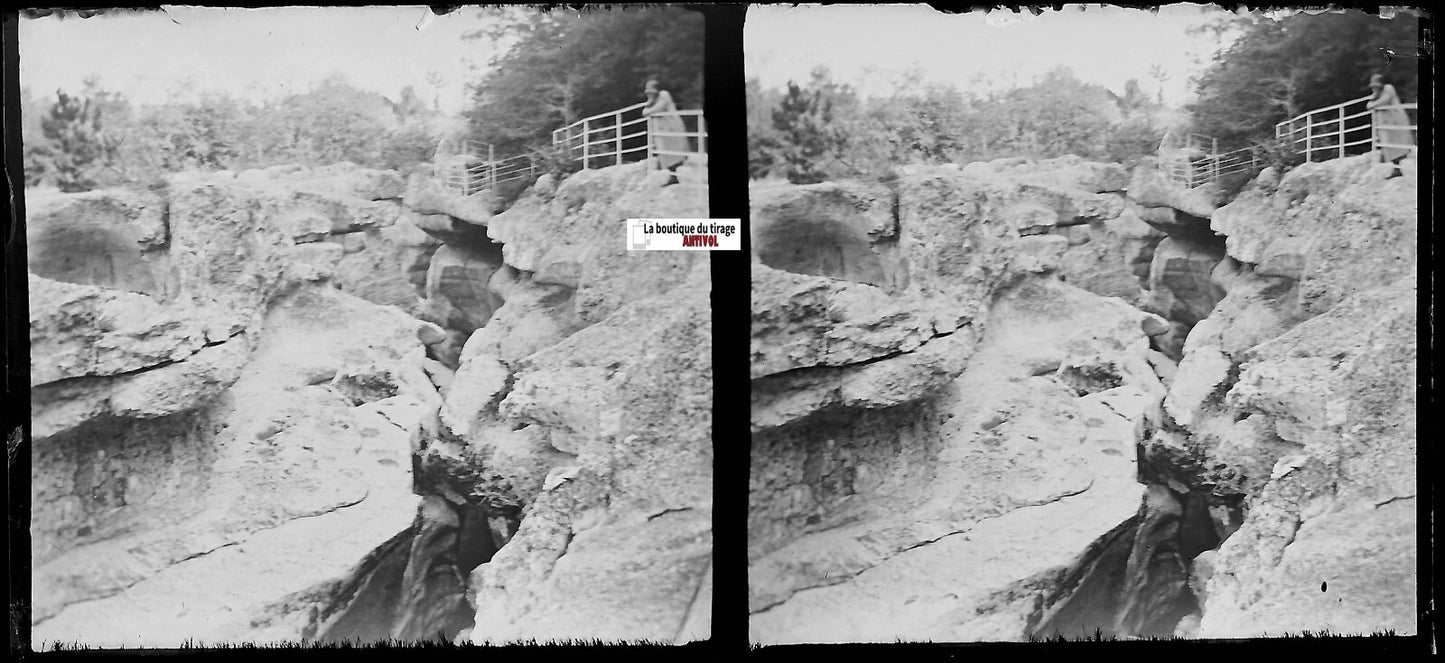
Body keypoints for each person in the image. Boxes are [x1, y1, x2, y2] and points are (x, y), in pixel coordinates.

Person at [641, 79, 690, 175]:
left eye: (651, 92)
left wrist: (649, 106)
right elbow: (645, 112)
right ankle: (672, 175)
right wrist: (649, 103)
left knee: (676, 153)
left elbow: (654, 110)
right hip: (664, 131)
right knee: (666, 154)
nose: (649, 94)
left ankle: (678, 176)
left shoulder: (664, 95)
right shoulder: (653, 100)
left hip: (673, 128)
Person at [1366, 73, 1414, 164]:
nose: (1374, 88)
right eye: (1373, 87)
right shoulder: (1377, 94)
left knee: (1398, 145)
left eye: (1376, 86)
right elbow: (1369, 104)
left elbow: (1383, 102)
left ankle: (1398, 167)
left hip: (1398, 120)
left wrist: (1372, 103)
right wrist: (1372, 102)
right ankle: (1395, 168)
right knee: (1390, 145)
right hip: (1389, 123)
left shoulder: (1388, 89)